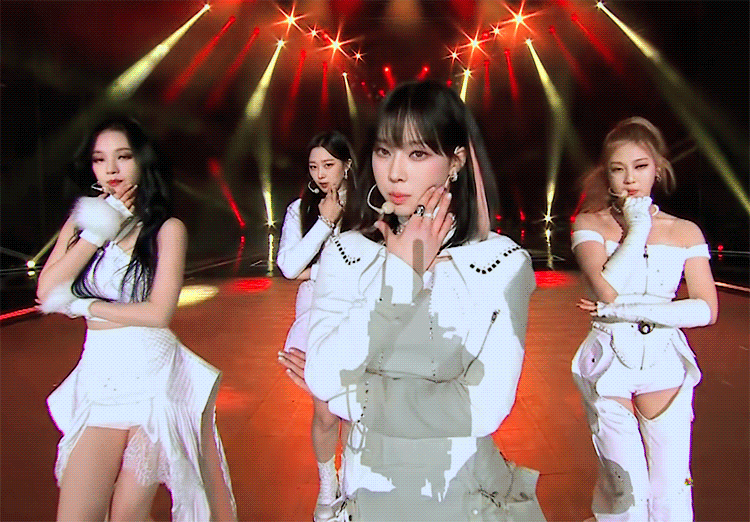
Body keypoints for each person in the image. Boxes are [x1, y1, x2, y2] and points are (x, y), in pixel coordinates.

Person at [299, 80, 545, 520]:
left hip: (461, 498)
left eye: (417, 154)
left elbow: (483, 410)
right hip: (367, 497)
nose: (394, 173)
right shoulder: (345, 252)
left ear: (456, 162)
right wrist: (402, 272)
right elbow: (323, 375)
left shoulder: (500, 263)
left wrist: (349, 397)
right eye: (383, 151)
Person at [37, 116, 236, 521]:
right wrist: (97, 229)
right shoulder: (83, 221)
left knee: (128, 514)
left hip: (152, 379)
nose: (110, 169)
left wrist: (86, 307)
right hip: (100, 378)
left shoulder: (167, 229)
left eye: (123, 157)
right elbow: (47, 290)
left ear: (143, 161)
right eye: (99, 159)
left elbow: (159, 312)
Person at [570, 117, 718, 521]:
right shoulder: (590, 223)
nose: (630, 179)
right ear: (607, 174)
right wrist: (637, 230)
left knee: (671, 490)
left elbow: (706, 309)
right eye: (618, 169)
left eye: (640, 166)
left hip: (664, 359)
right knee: (627, 492)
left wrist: (627, 310)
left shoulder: (685, 231)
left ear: (658, 168)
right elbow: (606, 290)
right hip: (608, 362)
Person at [276, 131, 357, 521]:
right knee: (325, 412)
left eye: (329, 165)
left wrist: (318, 270)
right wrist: (325, 222)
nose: (321, 174)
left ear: (347, 165)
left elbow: (371, 266)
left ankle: (355, 483)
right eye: (313, 166)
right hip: (317, 317)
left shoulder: (368, 207)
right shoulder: (301, 210)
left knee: (357, 409)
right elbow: (289, 267)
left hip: (358, 315)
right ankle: (329, 485)